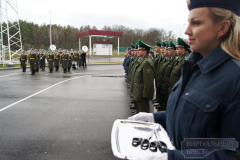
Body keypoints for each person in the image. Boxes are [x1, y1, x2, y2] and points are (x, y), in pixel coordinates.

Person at [128, 0, 240, 159]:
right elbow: (191, 116)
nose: (187, 31)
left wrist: (171, 157)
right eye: (188, 23)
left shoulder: (235, 78)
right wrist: (156, 118)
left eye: (196, 23)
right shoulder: (195, 67)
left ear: (223, 27)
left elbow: (231, 150)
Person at [132, 39, 155, 113]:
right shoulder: (142, 61)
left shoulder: (146, 63)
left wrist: (146, 95)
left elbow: (148, 81)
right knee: (139, 114)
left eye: (139, 50)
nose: (137, 51)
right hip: (139, 94)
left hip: (142, 95)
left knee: (143, 116)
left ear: (145, 52)